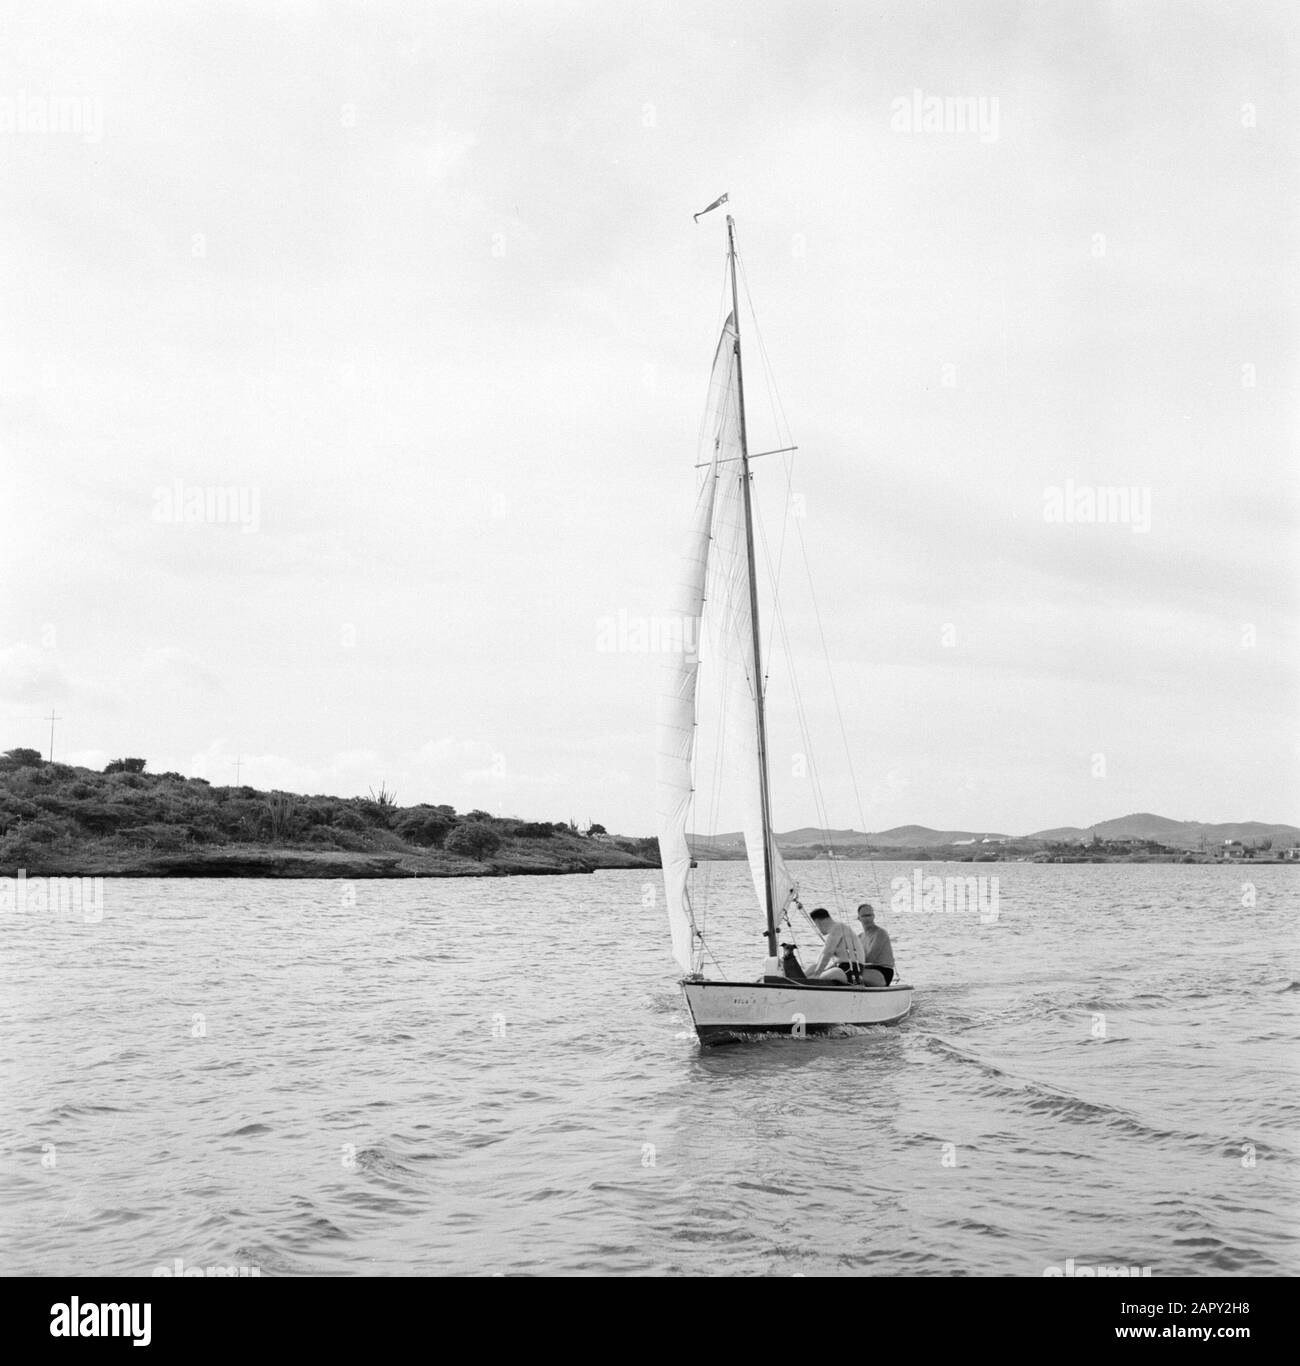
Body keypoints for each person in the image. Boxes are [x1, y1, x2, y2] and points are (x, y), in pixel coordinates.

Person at [805, 907, 864, 982]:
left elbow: (828, 954)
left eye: (816, 925)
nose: (818, 929)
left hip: (851, 970)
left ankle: (806, 983)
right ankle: (796, 982)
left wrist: (817, 975)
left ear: (818, 922)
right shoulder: (836, 930)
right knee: (813, 967)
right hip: (842, 967)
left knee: (831, 973)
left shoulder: (837, 928)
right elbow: (822, 955)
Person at [854, 903, 895, 985]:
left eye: (870, 915)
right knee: (840, 969)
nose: (867, 919)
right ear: (859, 918)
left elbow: (870, 958)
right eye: (864, 916)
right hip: (866, 970)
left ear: (874, 916)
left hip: (882, 972)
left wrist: (850, 962)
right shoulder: (859, 937)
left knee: (845, 971)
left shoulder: (880, 933)